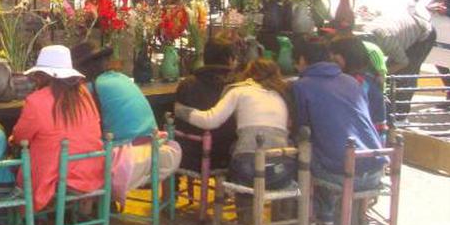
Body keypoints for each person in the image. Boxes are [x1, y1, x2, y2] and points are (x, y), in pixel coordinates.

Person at [70, 40, 181, 196]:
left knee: (83, 156)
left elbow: (81, 125)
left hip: (130, 159)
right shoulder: (120, 78)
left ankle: (94, 207)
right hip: (158, 150)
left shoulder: (90, 88)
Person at [292, 40, 384, 225]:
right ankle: (329, 211)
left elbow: (302, 128)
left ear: (302, 60)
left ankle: (318, 212)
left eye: (296, 61)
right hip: (375, 171)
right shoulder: (351, 81)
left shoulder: (302, 86)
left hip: (344, 174)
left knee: (301, 154)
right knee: (330, 148)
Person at [174, 58, 295, 190]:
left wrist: (181, 110)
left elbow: (209, 120)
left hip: (248, 168)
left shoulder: (239, 91)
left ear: (249, 73)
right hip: (281, 171)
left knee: (238, 155)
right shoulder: (282, 95)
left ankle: (245, 208)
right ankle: (279, 210)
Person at [10, 45, 104, 212]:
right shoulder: (84, 94)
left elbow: (20, 138)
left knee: (16, 160)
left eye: (38, 75)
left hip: (57, 176)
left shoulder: (36, 101)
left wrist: (12, 139)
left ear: (44, 75)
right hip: (92, 172)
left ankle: (25, 215)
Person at [173, 41, 238, 170]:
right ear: (230, 60)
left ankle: (173, 187)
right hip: (227, 156)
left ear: (205, 58)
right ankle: (228, 189)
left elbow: (178, 122)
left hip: (190, 157)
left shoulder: (188, 84)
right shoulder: (236, 86)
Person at [329, 35, 387, 130]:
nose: (332, 63)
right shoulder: (370, 79)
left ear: (347, 57)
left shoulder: (355, 83)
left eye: (335, 60)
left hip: (361, 138)